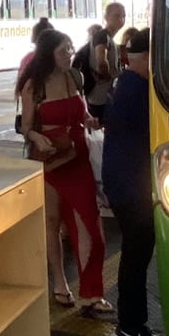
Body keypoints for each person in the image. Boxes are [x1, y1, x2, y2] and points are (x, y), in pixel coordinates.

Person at [18, 26, 112, 318]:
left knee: (91, 225)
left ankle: (91, 292)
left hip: (78, 156)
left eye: (71, 48)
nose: (70, 54)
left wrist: (89, 120)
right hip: (50, 159)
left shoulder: (75, 76)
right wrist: (36, 137)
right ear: (49, 54)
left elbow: (81, 111)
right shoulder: (34, 85)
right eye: (63, 50)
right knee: (52, 222)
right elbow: (25, 125)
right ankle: (60, 282)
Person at [102, 29, 164, 336]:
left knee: (135, 254)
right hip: (132, 187)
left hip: (123, 182)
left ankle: (131, 325)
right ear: (148, 58)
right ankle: (130, 327)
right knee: (136, 255)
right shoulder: (140, 91)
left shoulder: (126, 84)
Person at [84, 2, 126, 126]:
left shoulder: (109, 38)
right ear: (106, 17)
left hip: (105, 95)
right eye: (117, 16)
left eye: (124, 16)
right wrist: (108, 76)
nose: (121, 19)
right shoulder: (102, 36)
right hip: (101, 97)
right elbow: (101, 61)